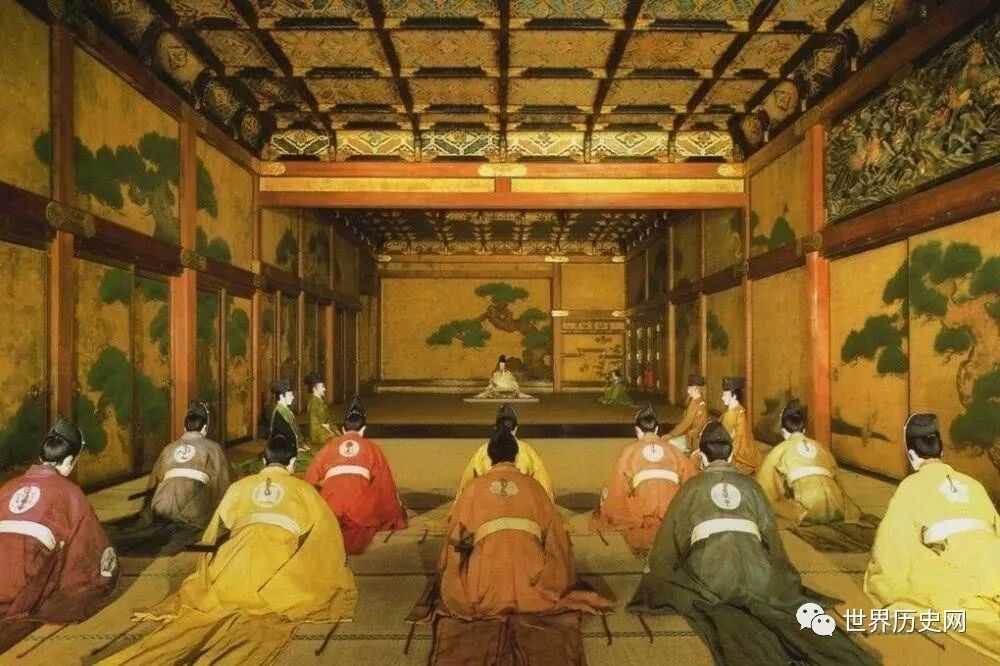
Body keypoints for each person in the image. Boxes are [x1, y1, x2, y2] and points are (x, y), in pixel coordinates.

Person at [628, 422, 877, 666]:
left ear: (701, 457)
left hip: (713, 580)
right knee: (780, 604)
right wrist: (780, 576)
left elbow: (669, 541)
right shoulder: (752, 486)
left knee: (677, 577)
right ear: (731, 455)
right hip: (759, 576)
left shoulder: (691, 488)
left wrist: (654, 572)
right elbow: (772, 541)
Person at [100, 432, 358, 665]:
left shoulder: (240, 487)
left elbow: (214, 530)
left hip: (230, 571)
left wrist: (206, 571)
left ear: (264, 461)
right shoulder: (304, 490)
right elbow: (326, 536)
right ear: (291, 463)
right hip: (276, 577)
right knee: (264, 622)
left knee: (189, 624)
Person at [429, 426, 612, 663]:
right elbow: (557, 540)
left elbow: (455, 540)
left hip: (483, 587)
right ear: (516, 456)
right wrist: (559, 575)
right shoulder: (534, 487)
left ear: (489, 457)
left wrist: (452, 578)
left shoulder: (474, 488)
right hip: (534, 584)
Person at [865, 413, 1000, 661]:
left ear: (911, 454)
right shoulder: (973, 484)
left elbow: (892, 544)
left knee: (899, 581)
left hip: (958, 564)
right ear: (941, 450)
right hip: (994, 559)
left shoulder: (910, 487)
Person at [0, 417, 119, 629]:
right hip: (27, 587)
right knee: (90, 564)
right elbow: (89, 545)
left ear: (42, 457)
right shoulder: (71, 493)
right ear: (69, 460)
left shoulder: (8, 487)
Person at [109, 401, 233, 556]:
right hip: (193, 513)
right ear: (205, 427)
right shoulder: (213, 449)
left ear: (185, 427)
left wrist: (147, 514)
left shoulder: (169, 449)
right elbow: (225, 486)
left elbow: (153, 484)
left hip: (161, 506)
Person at [756, 400, 875, 552]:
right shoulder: (821, 448)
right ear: (804, 430)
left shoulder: (778, 451)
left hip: (807, 511)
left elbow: (764, 488)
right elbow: (838, 482)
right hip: (838, 506)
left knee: (773, 504)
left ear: (783, 431)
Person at [304, 395, 408, 554]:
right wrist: (395, 509)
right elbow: (385, 484)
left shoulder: (329, 447)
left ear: (343, 429)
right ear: (363, 429)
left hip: (330, 507)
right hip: (360, 507)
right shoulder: (372, 448)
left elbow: (310, 478)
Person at [591, 403, 696, 552]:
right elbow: (691, 479)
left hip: (642, 508)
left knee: (618, 504)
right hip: (671, 508)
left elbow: (617, 485)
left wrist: (605, 507)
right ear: (657, 429)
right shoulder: (674, 451)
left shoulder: (629, 451)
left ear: (637, 430)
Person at [456, 403, 553, 498]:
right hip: (521, 502)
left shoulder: (482, 451)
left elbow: (464, 488)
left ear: (495, 428)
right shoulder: (528, 451)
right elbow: (545, 488)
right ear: (516, 428)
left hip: (488, 503)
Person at [710, 376, 761, 474]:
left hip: (736, 455)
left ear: (734, 396)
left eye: (725, 395)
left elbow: (722, 438)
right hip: (747, 453)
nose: (722, 398)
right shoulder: (739, 409)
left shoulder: (731, 414)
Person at [664, 374, 708, 452]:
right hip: (692, 436)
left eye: (690, 389)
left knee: (669, 444)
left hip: (692, 440)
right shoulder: (699, 401)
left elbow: (686, 423)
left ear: (696, 389)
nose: (688, 391)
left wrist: (671, 434)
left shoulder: (696, 404)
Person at [270, 378, 305, 452]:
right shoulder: (280, 412)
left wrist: (301, 444)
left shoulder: (286, 410)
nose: (293, 397)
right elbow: (284, 436)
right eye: (290, 395)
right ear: (281, 396)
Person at [304, 371, 337, 449]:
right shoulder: (314, 404)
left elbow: (327, 421)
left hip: (325, 434)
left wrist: (334, 430)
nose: (324, 389)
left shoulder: (319, 401)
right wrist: (330, 435)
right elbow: (315, 428)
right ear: (314, 389)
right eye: (322, 387)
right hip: (320, 438)